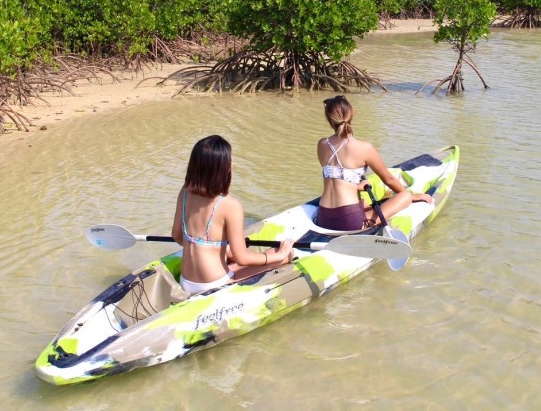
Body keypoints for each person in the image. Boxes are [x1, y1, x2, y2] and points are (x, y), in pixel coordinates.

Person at [172, 135, 293, 294]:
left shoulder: (185, 191)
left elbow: (177, 235)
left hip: (186, 281)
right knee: (287, 255)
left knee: (230, 254)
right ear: (223, 169)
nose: (232, 163)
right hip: (214, 283)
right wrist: (279, 254)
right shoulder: (230, 205)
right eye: (230, 160)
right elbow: (242, 258)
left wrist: (215, 250)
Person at [315, 95, 433, 231]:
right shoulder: (365, 148)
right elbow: (388, 179)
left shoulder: (322, 144)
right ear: (351, 113)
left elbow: (335, 177)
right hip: (349, 222)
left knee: (363, 202)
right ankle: (366, 223)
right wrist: (413, 196)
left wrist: (357, 187)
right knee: (405, 196)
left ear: (329, 120)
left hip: (323, 218)